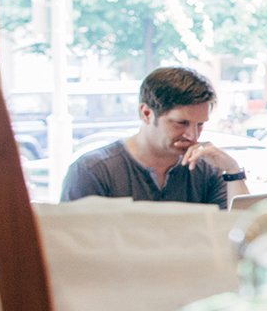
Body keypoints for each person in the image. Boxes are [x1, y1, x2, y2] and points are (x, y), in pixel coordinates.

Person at [61, 67, 249, 208]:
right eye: (180, 123)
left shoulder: (206, 169)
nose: (192, 135)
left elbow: (242, 233)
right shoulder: (93, 171)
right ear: (146, 114)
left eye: (200, 125)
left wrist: (233, 172)